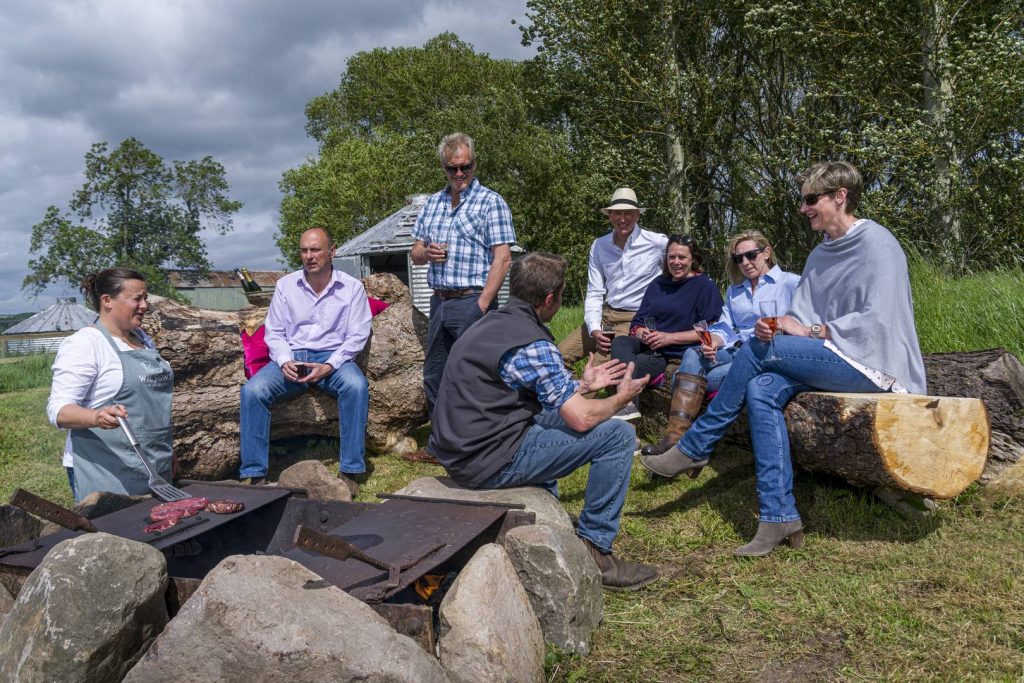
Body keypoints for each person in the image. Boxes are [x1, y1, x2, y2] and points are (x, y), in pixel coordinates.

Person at [641, 161, 926, 557]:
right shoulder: (820, 255)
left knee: (759, 353)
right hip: (831, 357)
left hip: (873, 363)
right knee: (761, 386)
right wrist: (776, 326)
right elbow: (801, 317)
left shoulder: (877, 243)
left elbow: (879, 320)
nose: (803, 208)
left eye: (812, 199)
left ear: (840, 196)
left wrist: (804, 333)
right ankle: (778, 516)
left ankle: (696, 445)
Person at [428, 252, 658, 590]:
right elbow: (580, 420)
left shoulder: (490, 324)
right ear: (550, 299)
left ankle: (550, 517)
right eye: (562, 294)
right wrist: (620, 398)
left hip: (461, 449)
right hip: (487, 461)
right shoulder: (533, 343)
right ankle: (596, 550)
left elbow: (537, 391)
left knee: (551, 413)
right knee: (618, 435)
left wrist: (582, 386)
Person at [641, 231, 800, 455]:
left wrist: (783, 327)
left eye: (751, 255)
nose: (745, 262)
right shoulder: (736, 291)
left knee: (681, 378)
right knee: (692, 355)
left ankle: (684, 446)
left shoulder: (790, 283)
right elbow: (724, 327)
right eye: (738, 258)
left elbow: (803, 323)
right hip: (734, 350)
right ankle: (674, 438)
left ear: (766, 253)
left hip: (764, 354)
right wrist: (713, 341)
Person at [239, 227, 371, 495]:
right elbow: (274, 332)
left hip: (333, 359)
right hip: (293, 356)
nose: (309, 256)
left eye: (316, 250)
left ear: (331, 252)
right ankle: (256, 475)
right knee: (253, 391)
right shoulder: (286, 285)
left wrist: (330, 365)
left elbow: (358, 334)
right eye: (304, 250)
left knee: (355, 387)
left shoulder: (352, 287)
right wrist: (285, 359)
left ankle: (350, 471)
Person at [410, 132, 515, 423]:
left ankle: (482, 441)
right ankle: (443, 445)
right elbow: (415, 252)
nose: (459, 173)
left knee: (475, 376)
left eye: (465, 167)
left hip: (472, 300)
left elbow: (503, 258)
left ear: (474, 165)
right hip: (440, 302)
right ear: (443, 167)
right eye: (452, 168)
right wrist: (425, 252)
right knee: (435, 375)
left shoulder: (490, 202)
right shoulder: (432, 204)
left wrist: (481, 304)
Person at [48, 268, 174, 502]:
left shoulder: (144, 340)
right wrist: (96, 417)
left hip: (156, 465)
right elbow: (59, 410)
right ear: (107, 300)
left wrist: (168, 453)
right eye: (137, 298)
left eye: (145, 298)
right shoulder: (85, 344)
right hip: (108, 473)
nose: (145, 305)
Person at [609, 234, 723, 420]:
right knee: (621, 342)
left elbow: (710, 330)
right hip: (651, 347)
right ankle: (627, 404)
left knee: (628, 368)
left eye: (682, 257)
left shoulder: (704, 286)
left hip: (675, 353)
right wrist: (641, 333)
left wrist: (669, 338)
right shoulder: (658, 284)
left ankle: (626, 423)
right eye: (672, 257)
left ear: (693, 259)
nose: (676, 262)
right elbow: (638, 321)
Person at [557, 188, 668, 369]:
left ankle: (588, 395)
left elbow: (682, 267)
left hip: (633, 318)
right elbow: (594, 291)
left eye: (628, 213)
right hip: (604, 315)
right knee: (559, 356)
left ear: (638, 216)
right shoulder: (599, 245)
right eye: (617, 213)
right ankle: (570, 394)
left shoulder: (657, 243)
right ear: (609, 215)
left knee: (600, 369)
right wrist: (594, 328)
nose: (622, 219)